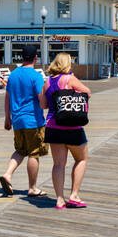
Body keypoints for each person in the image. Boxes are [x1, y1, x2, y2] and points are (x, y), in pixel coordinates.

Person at [39, 54, 91, 208]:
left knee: (58, 164)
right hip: (73, 126)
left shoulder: (47, 82)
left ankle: (59, 199)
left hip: (53, 126)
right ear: (67, 64)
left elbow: (43, 104)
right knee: (81, 159)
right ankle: (74, 195)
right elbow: (87, 92)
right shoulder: (69, 79)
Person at [0, 46, 47, 198]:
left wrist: (7, 118)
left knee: (20, 150)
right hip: (33, 121)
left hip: (17, 121)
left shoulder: (13, 75)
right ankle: (32, 188)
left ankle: (7, 174)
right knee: (34, 153)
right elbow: (42, 101)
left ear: (21, 57)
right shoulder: (36, 76)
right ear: (36, 58)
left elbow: (7, 98)